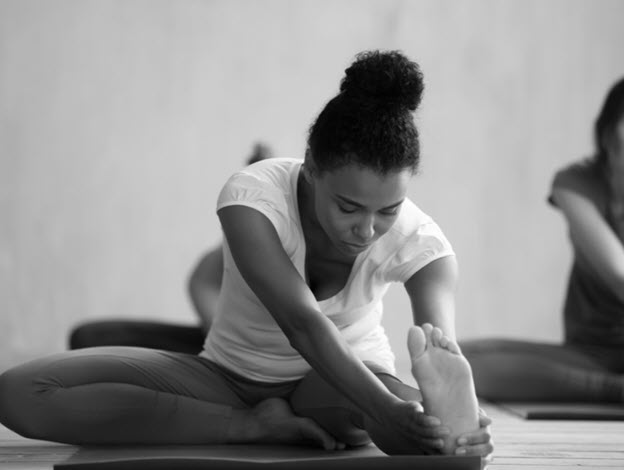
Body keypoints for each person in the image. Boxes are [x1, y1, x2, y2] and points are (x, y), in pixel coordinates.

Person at [0, 50, 493, 460]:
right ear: (312, 169)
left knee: (410, 416)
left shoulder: (422, 242)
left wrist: (445, 415)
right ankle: (250, 425)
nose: (366, 230)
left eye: (388, 210)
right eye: (348, 207)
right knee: (20, 392)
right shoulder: (253, 197)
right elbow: (302, 324)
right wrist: (386, 409)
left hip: (340, 387)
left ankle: (411, 417)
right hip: (226, 377)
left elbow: (443, 353)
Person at [460, 72, 624, 404]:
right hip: (595, 349)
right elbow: (620, 276)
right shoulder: (574, 184)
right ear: (608, 131)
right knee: (459, 361)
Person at [67, 143, 274, 354]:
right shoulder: (222, 260)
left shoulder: (297, 250)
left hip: (281, 358)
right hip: (231, 351)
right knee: (91, 336)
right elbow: (223, 337)